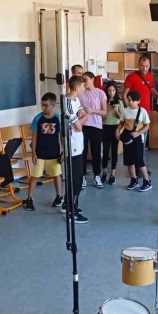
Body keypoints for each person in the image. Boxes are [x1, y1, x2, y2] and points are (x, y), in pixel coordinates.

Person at [27, 93, 63, 211]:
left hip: (54, 152)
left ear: (53, 105)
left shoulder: (58, 118)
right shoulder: (38, 118)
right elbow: (34, 138)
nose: (43, 108)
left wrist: (63, 150)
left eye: (46, 105)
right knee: (35, 176)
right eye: (42, 105)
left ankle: (59, 196)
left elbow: (61, 136)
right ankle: (29, 199)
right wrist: (33, 153)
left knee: (56, 174)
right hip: (40, 153)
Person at [61, 75, 89, 223]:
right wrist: (82, 119)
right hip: (72, 146)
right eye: (83, 86)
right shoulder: (68, 103)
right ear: (77, 87)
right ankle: (72, 211)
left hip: (79, 144)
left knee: (78, 177)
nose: (85, 88)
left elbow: (83, 115)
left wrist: (82, 118)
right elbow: (78, 126)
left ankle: (67, 204)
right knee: (76, 180)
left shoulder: (76, 100)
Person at [116, 91, 152, 192]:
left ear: (138, 101)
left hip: (137, 138)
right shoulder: (125, 111)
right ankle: (133, 180)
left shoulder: (142, 111)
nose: (130, 102)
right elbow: (121, 123)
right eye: (129, 100)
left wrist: (138, 133)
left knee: (139, 161)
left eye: (133, 100)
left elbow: (147, 125)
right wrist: (117, 130)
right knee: (129, 160)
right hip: (127, 137)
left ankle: (147, 181)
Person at [80, 72, 107, 189]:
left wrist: (92, 110)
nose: (84, 82)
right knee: (83, 152)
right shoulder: (81, 93)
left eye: (85, 79)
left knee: (96, 152)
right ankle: (82, 176)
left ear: (92, 79)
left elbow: (104, 112)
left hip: (96, 126)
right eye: (82, 80)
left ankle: (97, 176)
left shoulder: (100, 93)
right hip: (83, 125)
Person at [101, 83, 123, 185]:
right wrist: (106, 110)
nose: (111, 92)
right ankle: (104, 172)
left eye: (113, 90)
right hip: (105, 127)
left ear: (116, 91)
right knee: (105, 151)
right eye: (109, 90)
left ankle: (113, 174)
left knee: (114, 151)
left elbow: (121, 117)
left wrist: (115, 110)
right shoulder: (104, 101)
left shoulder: (120, 102)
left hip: (115, 127)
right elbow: (102, 117)